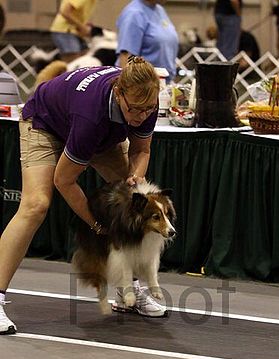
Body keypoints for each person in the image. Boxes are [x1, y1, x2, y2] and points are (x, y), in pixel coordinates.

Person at [0, 57, 168, 335]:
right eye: (134, 110)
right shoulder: (91, 114)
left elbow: (142, 150)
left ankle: (131, 291)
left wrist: (135, 177)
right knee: (35, 205)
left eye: (147, 109)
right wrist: (97, 224)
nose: (140, 116)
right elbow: (64, 181)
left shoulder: (146, 99)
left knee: (134, 202)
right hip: (44, 123)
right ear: (118, 93)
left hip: (98, 133)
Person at [116, 0, 179, 82]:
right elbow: (125, 58)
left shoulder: (159, 9)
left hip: (163, 83)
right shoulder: (134, 13)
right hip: (144, 87)